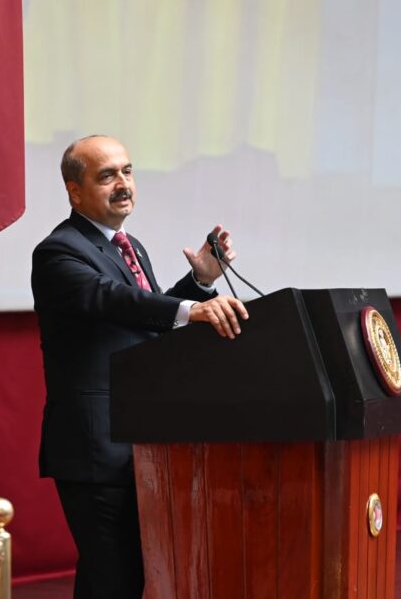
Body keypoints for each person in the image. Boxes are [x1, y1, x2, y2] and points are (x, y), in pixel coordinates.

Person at [31, 135, 248, 599]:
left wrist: (200, 282)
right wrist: (193, 309)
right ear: (74, 190)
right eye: (107, 175)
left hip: (137, 443)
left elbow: (145, 322)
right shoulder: (58, 251)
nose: (123, 184)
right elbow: (109, 299)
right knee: (113, 580)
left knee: (123, 580)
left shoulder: (132, 247)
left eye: (127, 171)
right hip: (95, 449)